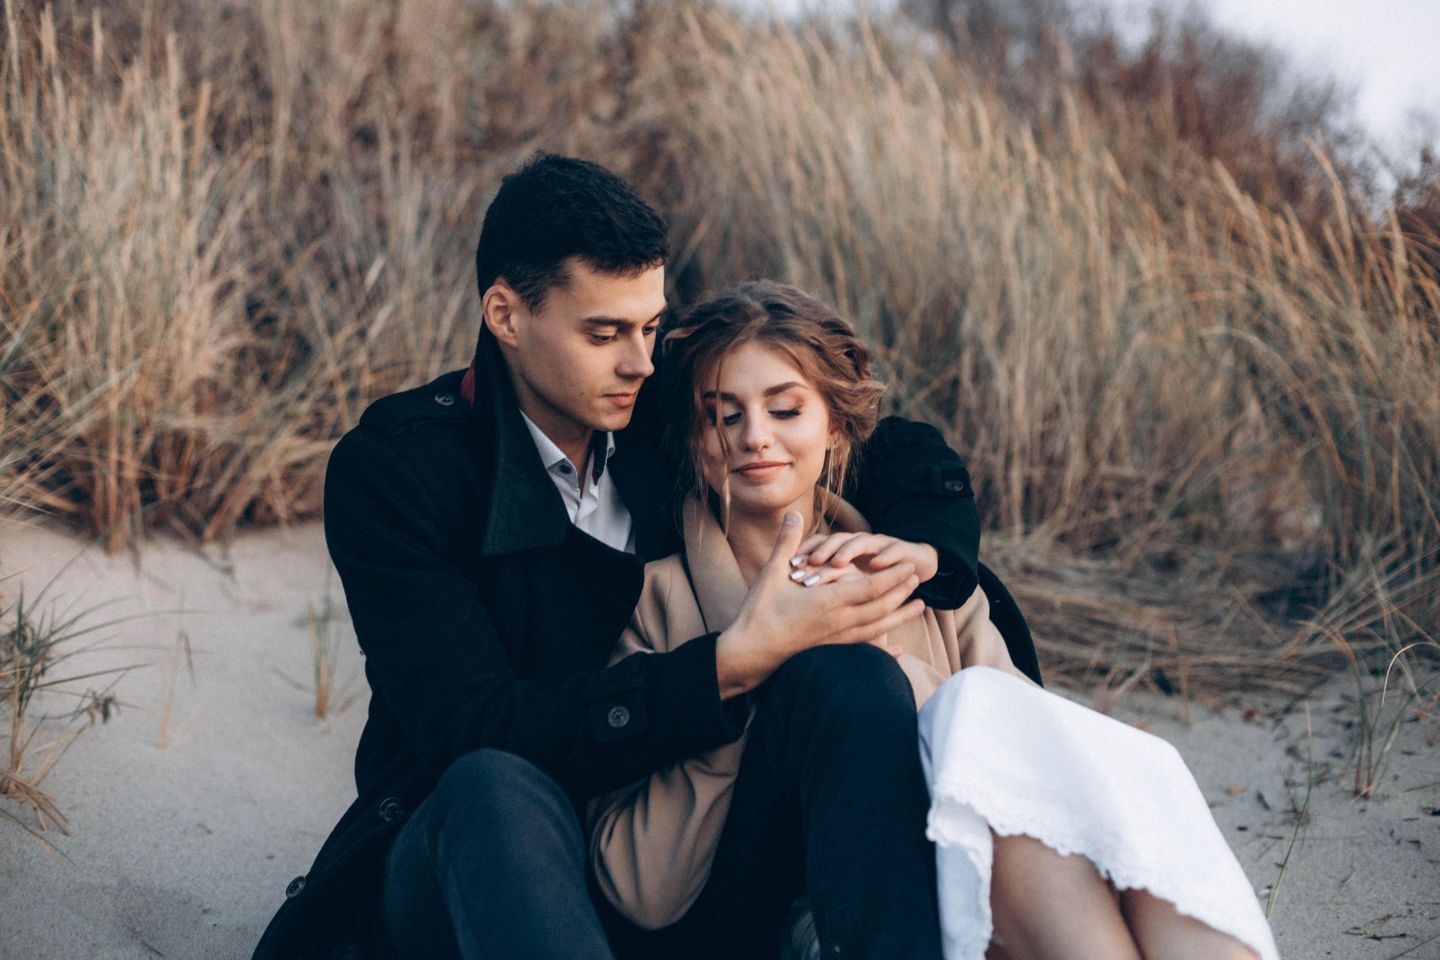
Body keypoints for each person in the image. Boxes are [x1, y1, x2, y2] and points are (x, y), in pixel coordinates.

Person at [251, 154, 1009, 960]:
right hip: (478, 862)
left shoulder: (656, 403)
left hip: (676, 861)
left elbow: (880, 442)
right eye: (604, 332)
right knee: (490, 781)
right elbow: (473, 726)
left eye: (650, 327)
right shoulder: (401, 470)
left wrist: (926, 552)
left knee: (847, 679)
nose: (641, 361)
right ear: (506, 316)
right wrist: (728, 666)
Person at [588, 280, 1280, 960]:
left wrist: (898, 659)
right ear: (693, 436)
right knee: (860, 683)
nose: (755, 438)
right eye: (723, 416)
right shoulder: (653, 600)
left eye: (786, 409)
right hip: (777, 915)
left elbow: (1031, 784)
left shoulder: (926, 580)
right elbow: (642, 891)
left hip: (965, 884)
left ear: (836, 428)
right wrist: (742, 672)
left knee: (1102, 795)